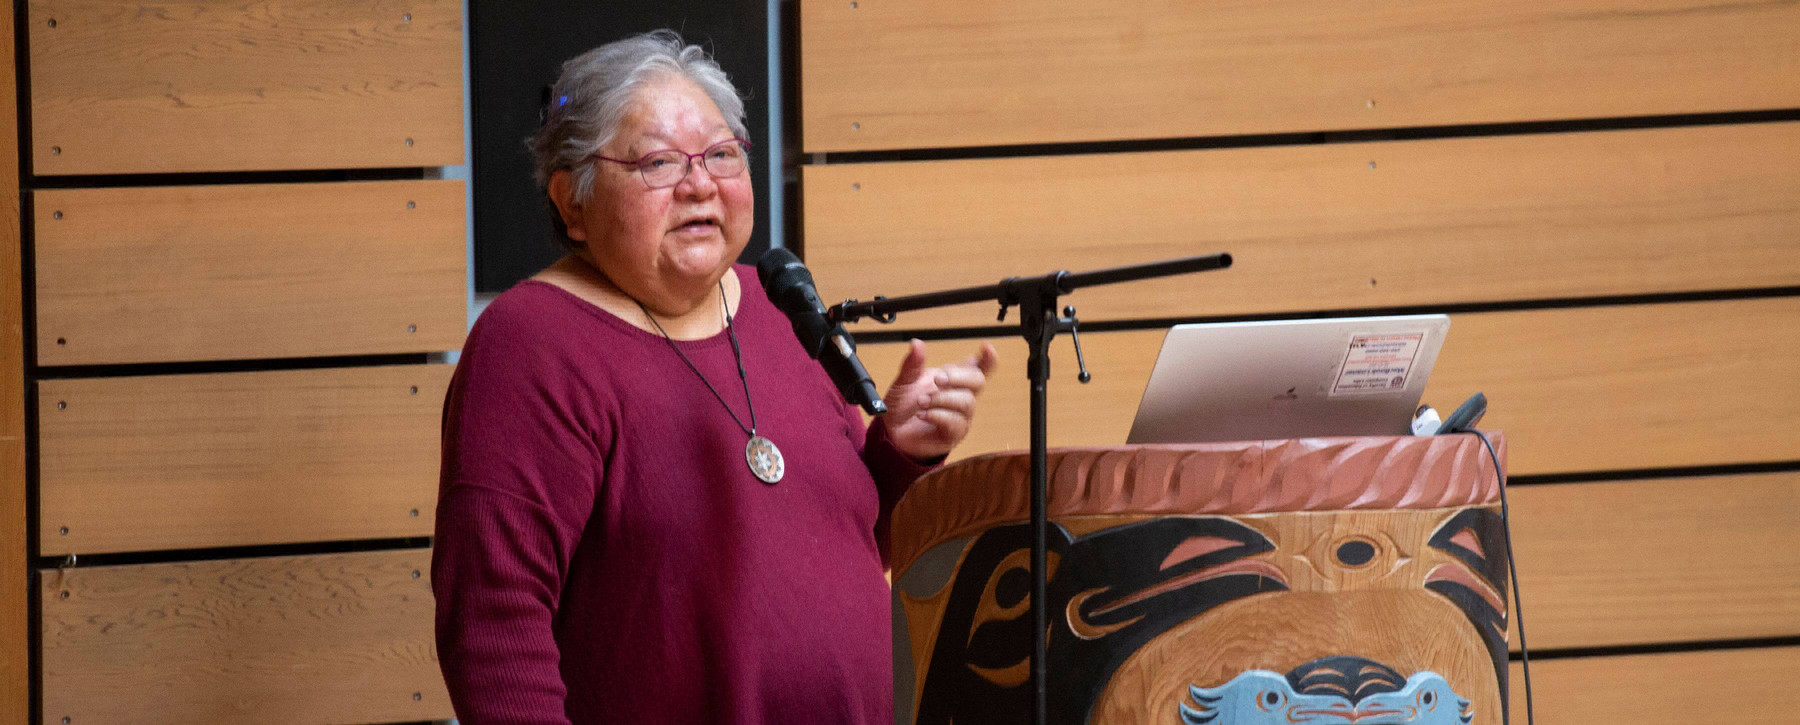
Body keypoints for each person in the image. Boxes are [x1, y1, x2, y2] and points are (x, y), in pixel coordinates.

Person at [431, 31, 999, 724]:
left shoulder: (780, 305)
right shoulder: (530, 343)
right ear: (572, 202)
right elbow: (493, 625)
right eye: (660, 161)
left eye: (722, 154)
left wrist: (901, 453)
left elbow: (843, 545)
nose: (701, 183)